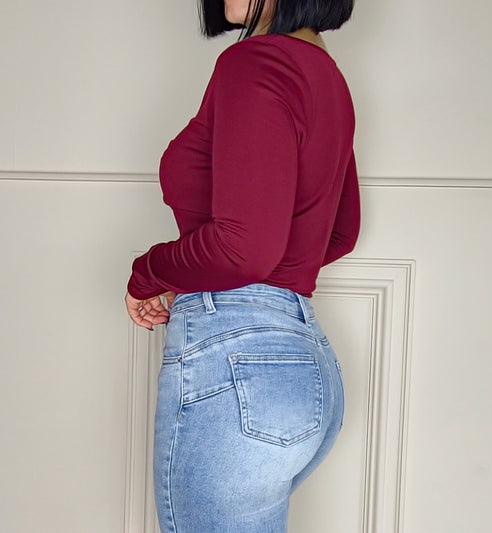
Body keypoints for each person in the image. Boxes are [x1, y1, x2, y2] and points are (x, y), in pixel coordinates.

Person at [124, 0, 360, 531]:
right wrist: (226, 276)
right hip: (303, 362)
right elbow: (338, 234)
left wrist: (149, 273)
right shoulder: (327, 76)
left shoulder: (255, 62)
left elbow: (244, 250)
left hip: (236, 365)